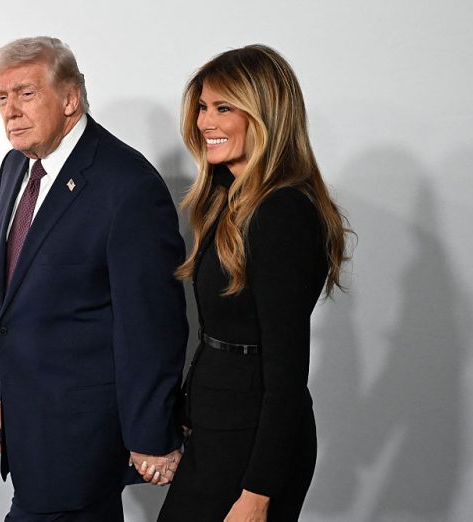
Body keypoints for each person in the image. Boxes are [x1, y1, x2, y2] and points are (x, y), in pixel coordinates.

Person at [0, 36, 187, 521]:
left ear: (70, 99)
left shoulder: (127, 185)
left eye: (26, 94)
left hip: (82, 434)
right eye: (2, 97)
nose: (10, 110)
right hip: (28, 424)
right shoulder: (15, 167)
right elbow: (6, 297)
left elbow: (151, 324)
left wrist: (152, 434)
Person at [158, 45, 350, 522]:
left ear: (266, 114)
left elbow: (286, 367)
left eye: (224, 108)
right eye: (203, 107)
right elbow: (223, 334)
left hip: (252, 448)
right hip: (217, 427)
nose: (206, 122)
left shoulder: (282, 212)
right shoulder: (228, 198)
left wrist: (258, 492)